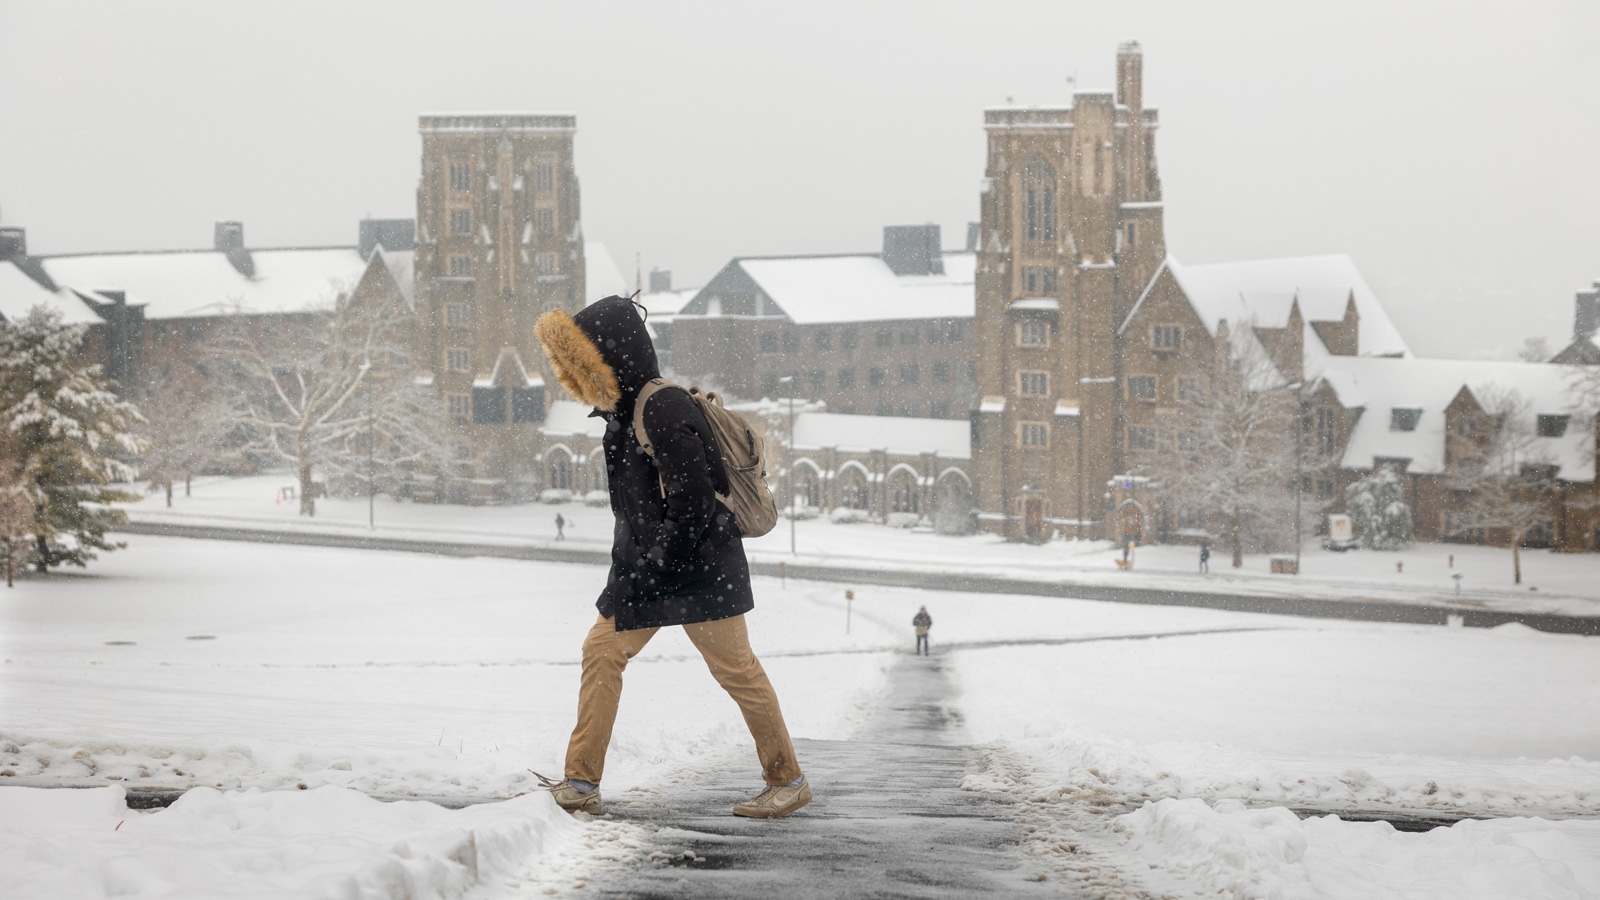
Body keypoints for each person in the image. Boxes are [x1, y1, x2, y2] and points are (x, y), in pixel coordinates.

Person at [530, 296, 809, 819]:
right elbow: (635, 511)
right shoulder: (620, 411)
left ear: (611, 355)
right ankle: (580, 782)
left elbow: (695, 500)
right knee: (601, 652)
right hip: (649, 572)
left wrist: (659, 563)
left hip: (701, 571)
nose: (575, 373)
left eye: (581, 360)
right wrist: (628, 573)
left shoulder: (662, 406)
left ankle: (788, 780)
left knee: (737, 671)